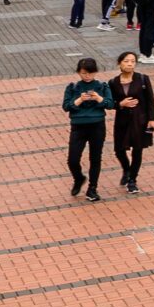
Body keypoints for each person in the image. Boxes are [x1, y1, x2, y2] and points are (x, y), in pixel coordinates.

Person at [61, 55, 113, 200]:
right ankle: (78, 178)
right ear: (79, 72)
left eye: (90, 72)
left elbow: (110, 104)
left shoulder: (102, 86)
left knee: (95, 158)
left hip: (97, 126)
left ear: (95, 72)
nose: (87, 76)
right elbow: (66, 106)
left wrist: (98, 98)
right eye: (84, 73)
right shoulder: (73, 87)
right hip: (78, 127)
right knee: (72, 159)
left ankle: (92, 188)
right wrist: (79, 100)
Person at [108, 52, 154, 195]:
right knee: (119, 150)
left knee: (137, 150)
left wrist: (152, 119)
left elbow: (150, 101)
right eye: (126, 61)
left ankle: (132, 180)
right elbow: (110, 103)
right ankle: (126, 169)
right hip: (122, 121)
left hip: (139, 121)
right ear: (119, 63)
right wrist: (120, 104)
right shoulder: (113, 83)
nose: (130, 64)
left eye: (133, 61)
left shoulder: (142, 79)